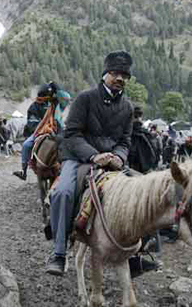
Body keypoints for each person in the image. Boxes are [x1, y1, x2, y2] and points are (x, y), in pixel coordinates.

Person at [46, 51, 135, 275]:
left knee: (144, 190)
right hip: (78, 157)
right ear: (105, 73)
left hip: (113, 162)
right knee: (62, 193)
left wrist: (119, 157)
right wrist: (94, 156)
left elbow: (125, 141)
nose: (120, 78)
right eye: (115, 73)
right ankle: (59, 252)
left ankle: (139, 253)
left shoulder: (128, 108)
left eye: (125, 75)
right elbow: (72, 134)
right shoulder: (85, 99)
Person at [12, 82, 60, 180]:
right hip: (39, 132)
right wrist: (45, 129)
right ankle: (23, 171)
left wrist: (53, 85)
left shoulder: (53, 104)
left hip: (54, 129)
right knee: (26, 145)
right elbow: (33, 124)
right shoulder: (33, 107)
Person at [127, 106, 157, 173]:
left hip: (129, 167)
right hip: (145, 169)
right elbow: (155, 150)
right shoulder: (147, 134)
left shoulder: (127, 132)